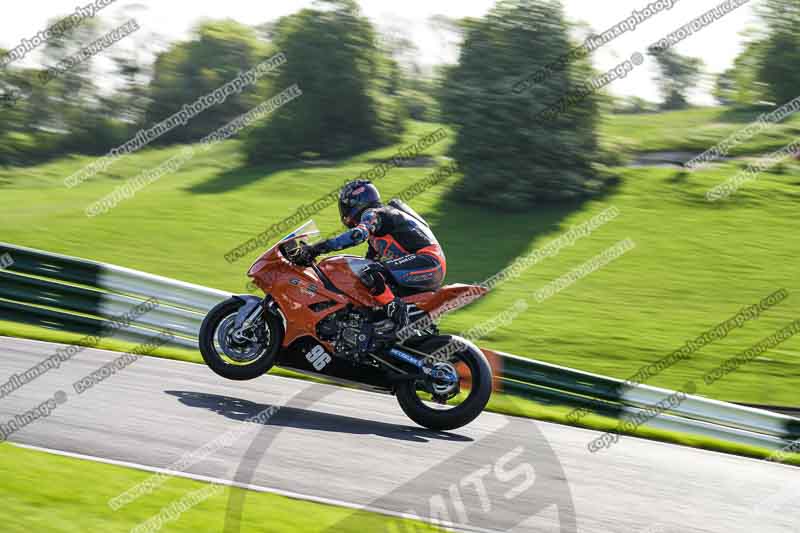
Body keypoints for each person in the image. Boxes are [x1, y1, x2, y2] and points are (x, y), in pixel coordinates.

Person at [298, 180, 446, 334]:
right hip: (424, 266)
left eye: (345, 206)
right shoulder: (377, 234)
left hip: (427, 263)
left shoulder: (374, 214)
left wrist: (316, 248)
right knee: (365, 276)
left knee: (368, 272)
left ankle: (397, 312)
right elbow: (369, 260)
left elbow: (357, 235)